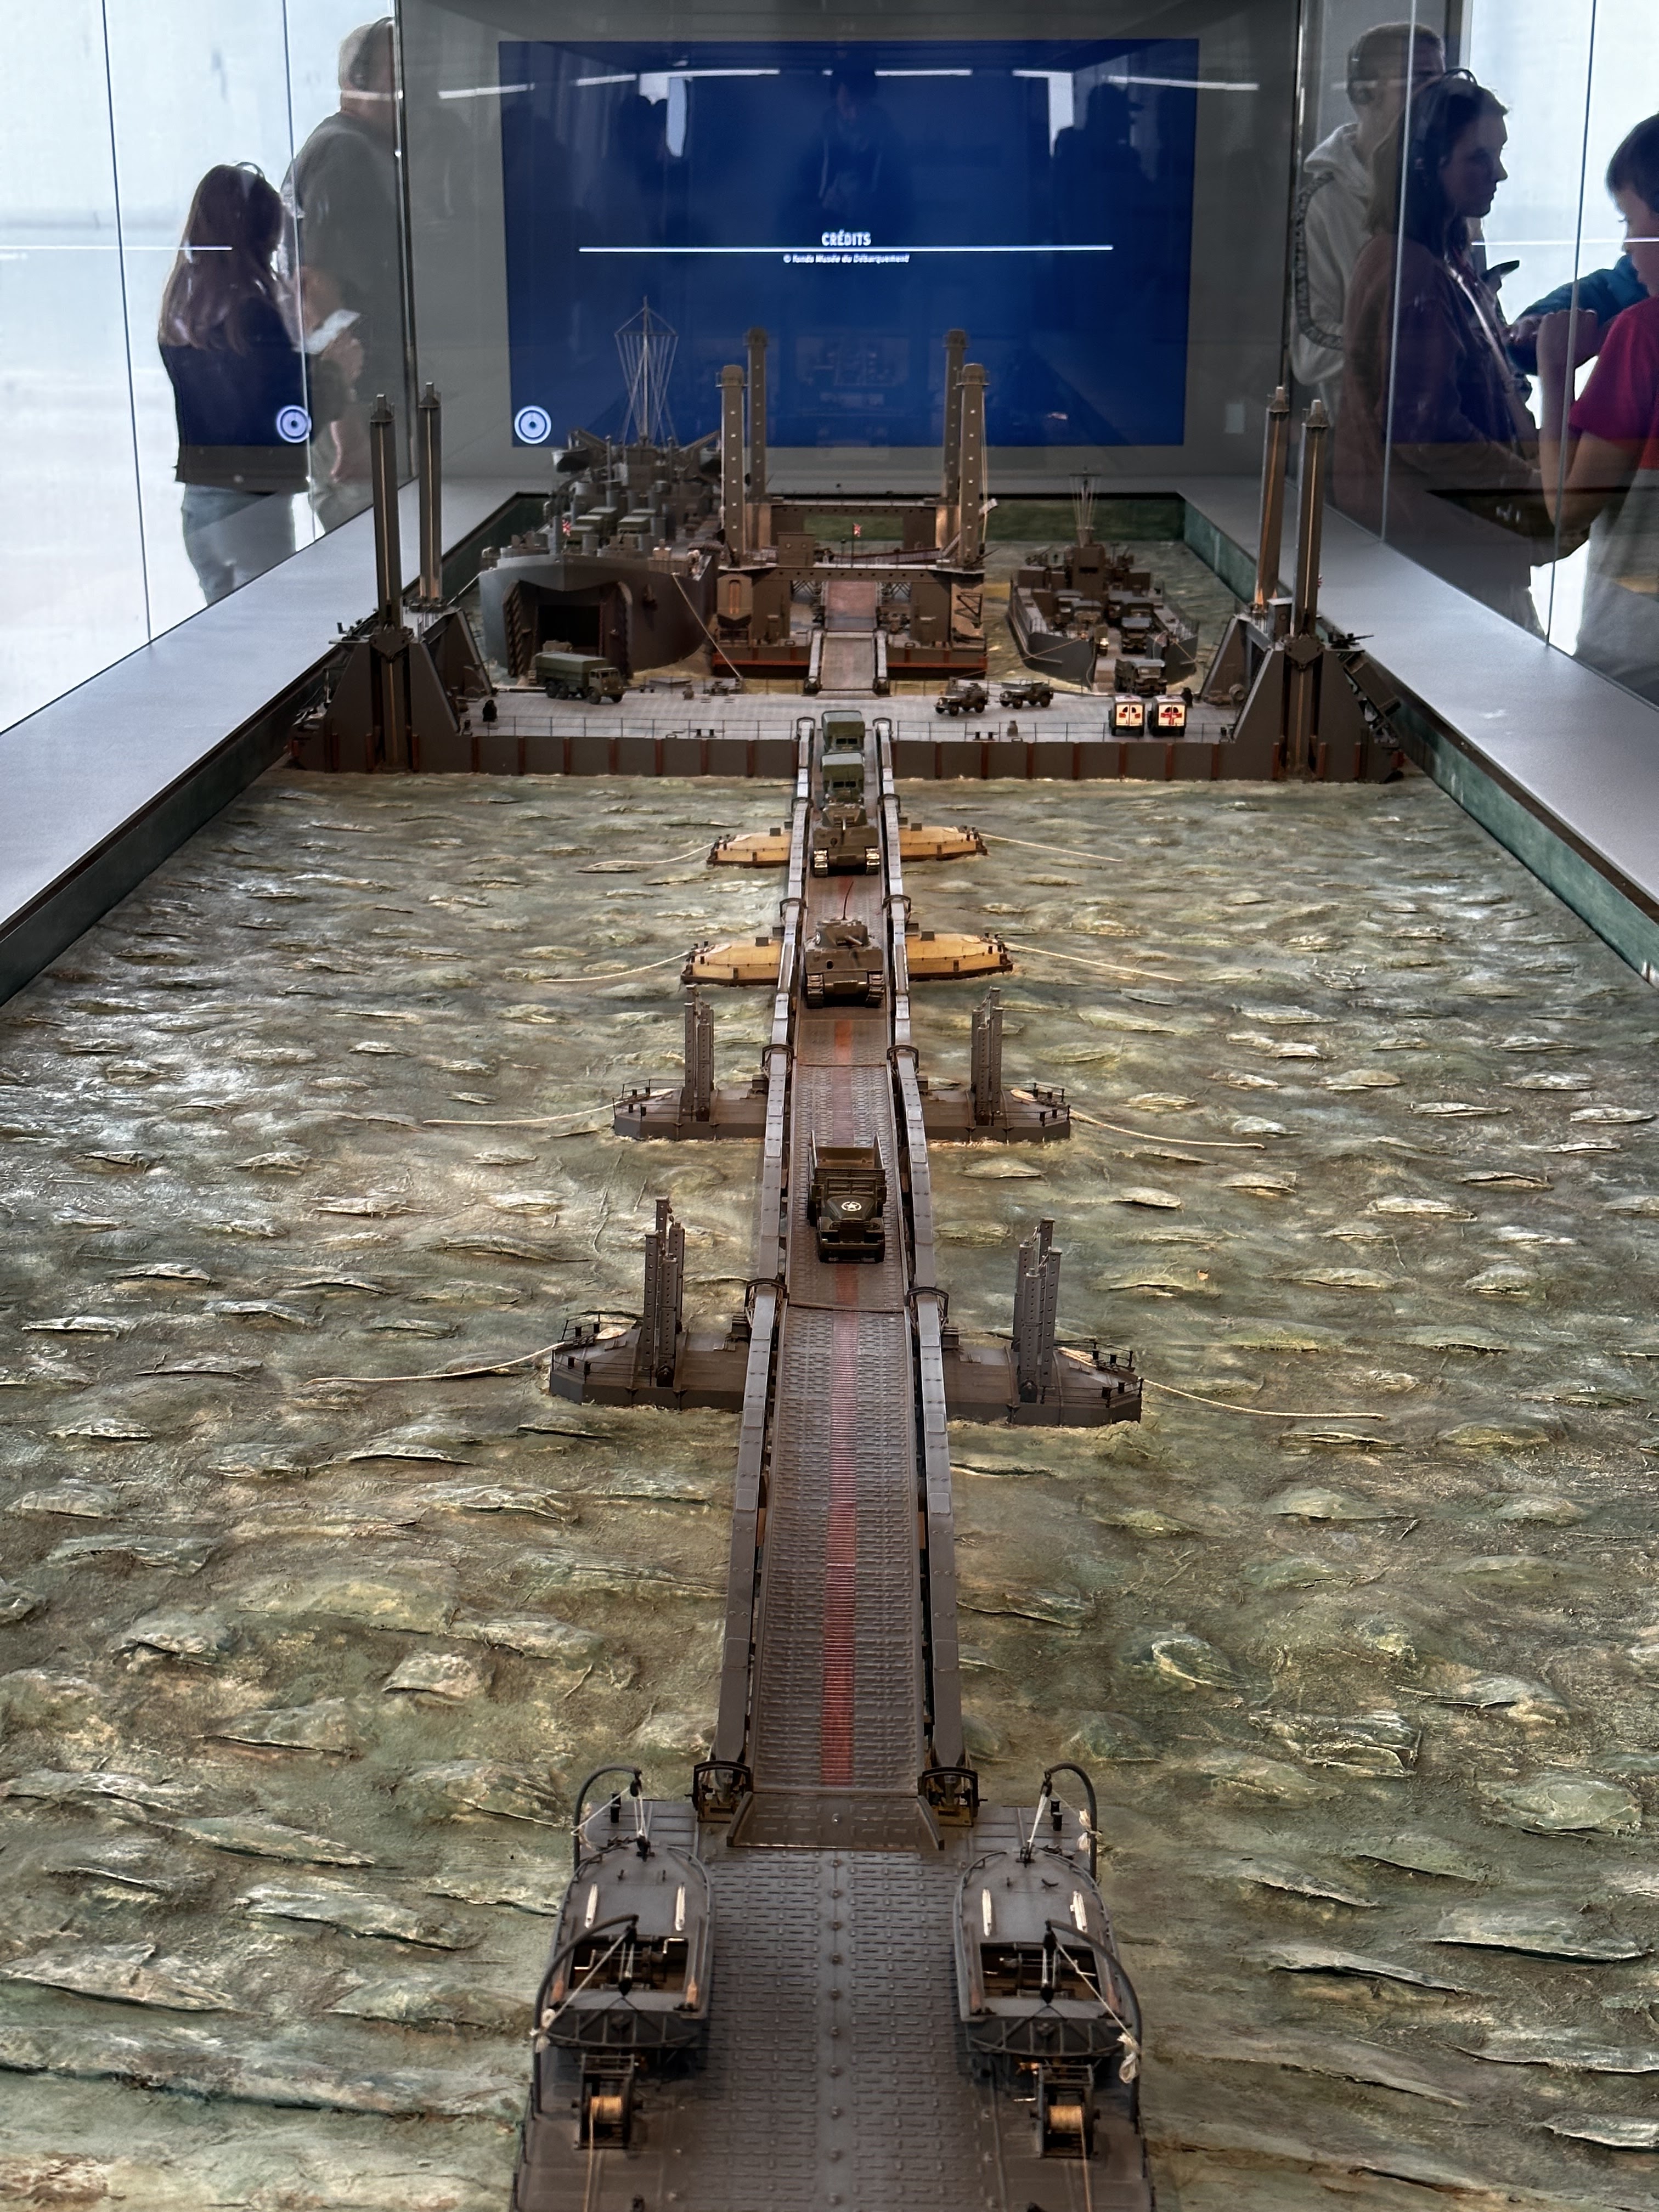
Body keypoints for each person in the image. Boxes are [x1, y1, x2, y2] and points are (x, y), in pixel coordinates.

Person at [1335, 72, 1543, 628]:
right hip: (1447, 566)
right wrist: (1528, 485)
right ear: (1428, 165)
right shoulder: (1413, 269)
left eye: (1499, 155)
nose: (1499, 174)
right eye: (1480, 158)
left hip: (1448, 557)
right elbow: (1425, 431)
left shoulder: (1436, 258)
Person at [158, 164, 352, 604]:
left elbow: (239, 399)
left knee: (228, 633)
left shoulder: (182, 308)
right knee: (270, 628)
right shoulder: (253, 313)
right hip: (251, 509)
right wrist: (335, 373)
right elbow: (288, 424)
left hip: (199, 507)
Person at [1537, 114, 1659, 704]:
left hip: (1637, 657)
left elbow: (1569, 506)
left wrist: (1556, 374)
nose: (1627, 246)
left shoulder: (1643, 333)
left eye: (1630, 220)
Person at [284, 18, 408, 527]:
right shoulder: (347, 153)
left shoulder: (355, 148)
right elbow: (315, 287)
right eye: (398, 74)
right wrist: (349, 426)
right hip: (360, 417)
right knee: (380, 561)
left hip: (362, 406)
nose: (412, 89)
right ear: (357, 82)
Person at [1291, 21, 1447, 417]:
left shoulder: (1445, 184)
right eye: (1420, 81)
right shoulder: (1323, 202)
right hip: (1365, 435)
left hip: (1452, 428)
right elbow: (1310, 351)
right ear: (1363, 94)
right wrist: (1414, 346)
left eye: (1441, 82)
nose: (1437, 97)